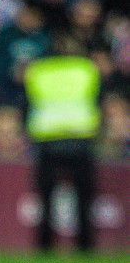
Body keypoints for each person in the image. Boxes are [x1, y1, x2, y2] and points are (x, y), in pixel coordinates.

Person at [24, 36, 101, 252]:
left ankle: (45, 244)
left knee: (46, 197)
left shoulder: (39, 70)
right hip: (80, 138)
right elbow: (96, 96)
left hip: (47, 139)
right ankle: (85, 245)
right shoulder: (86, 69)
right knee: (84, 197)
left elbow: (29, 98)